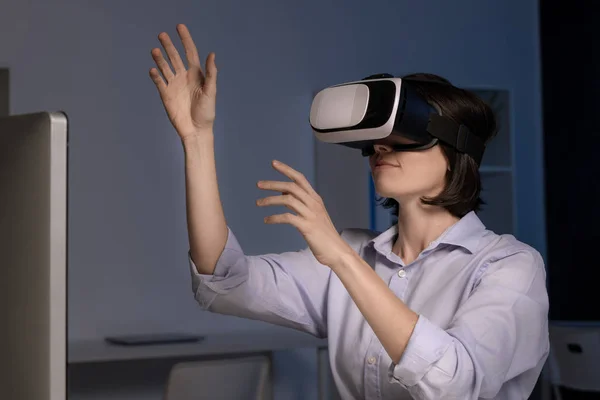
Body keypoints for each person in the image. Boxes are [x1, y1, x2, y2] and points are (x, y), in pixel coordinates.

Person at [149, 24, 550, 400]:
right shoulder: (350, 252)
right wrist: (197, 139)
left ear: (456, 153)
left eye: (403, 137)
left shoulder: (509, 266)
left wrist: (341, 259)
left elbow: (458, 384)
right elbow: (223, 281)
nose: (380, 149)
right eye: (376, 139)